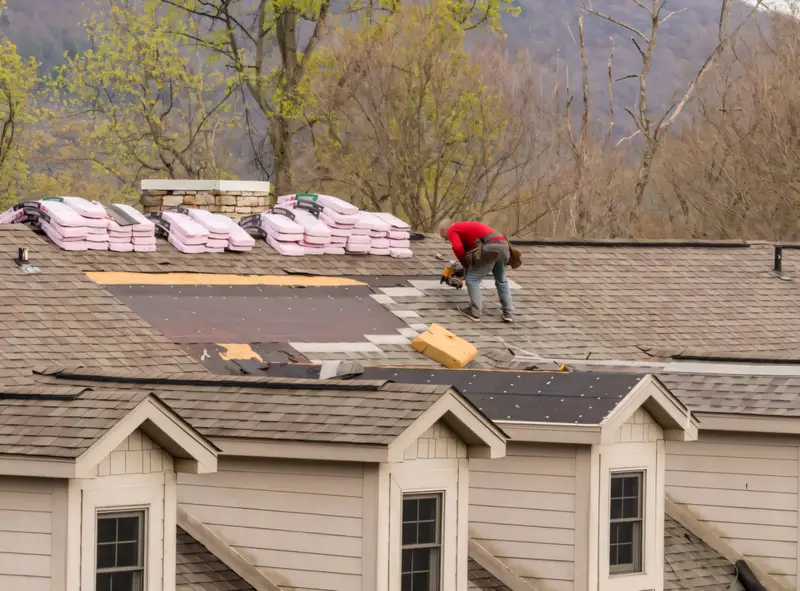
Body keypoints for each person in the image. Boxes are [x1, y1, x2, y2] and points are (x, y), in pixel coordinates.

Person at [438, 218, 513, 323]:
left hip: (490, 246)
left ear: (443, 230)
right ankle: (508, 313)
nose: (447, 240)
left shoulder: (452, 229)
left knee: (472, 279)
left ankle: (475, 312)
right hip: (504, 245)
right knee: (501, 280)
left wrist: (464, 265)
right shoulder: (465, 229)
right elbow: (473, 257)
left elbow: (458, 248)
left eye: (445, 238)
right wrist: (465, 269)